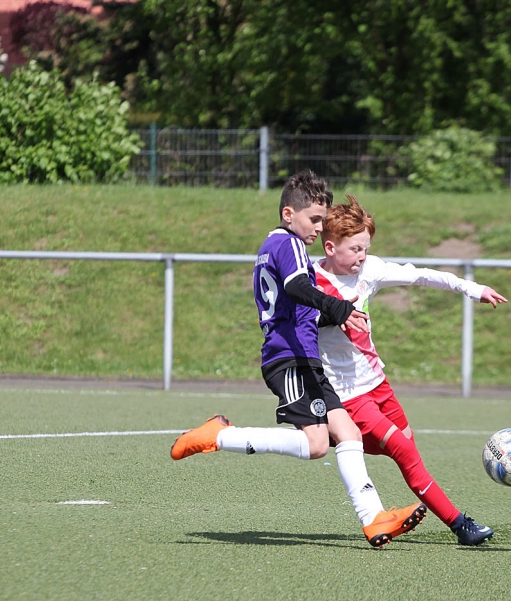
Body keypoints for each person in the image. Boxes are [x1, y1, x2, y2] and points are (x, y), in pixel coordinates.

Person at [170, 171, 427, 548]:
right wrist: (335, 306)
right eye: (315, 219)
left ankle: (373, 517)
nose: (320, 228)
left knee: (348, 433)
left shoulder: (276, 246)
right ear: (289, 214)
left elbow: (292, 307)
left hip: (306, 359)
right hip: (289, 359)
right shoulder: (287, 243)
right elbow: (296, 288)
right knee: (317, 445)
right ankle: (220, 436)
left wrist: (331, 316)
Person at [314, 194, 508, 545]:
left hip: (378, 384)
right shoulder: (312, 282)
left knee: (406, 446)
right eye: (355, 249)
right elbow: (294, 325)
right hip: (348, 394)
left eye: (366, 249)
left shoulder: (370, 270)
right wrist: (327, 317)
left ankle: (331, 437)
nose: (362, 256)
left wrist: (472, 288)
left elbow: (420, 276)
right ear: (330, 247)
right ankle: (460, 525)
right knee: (404, 450)